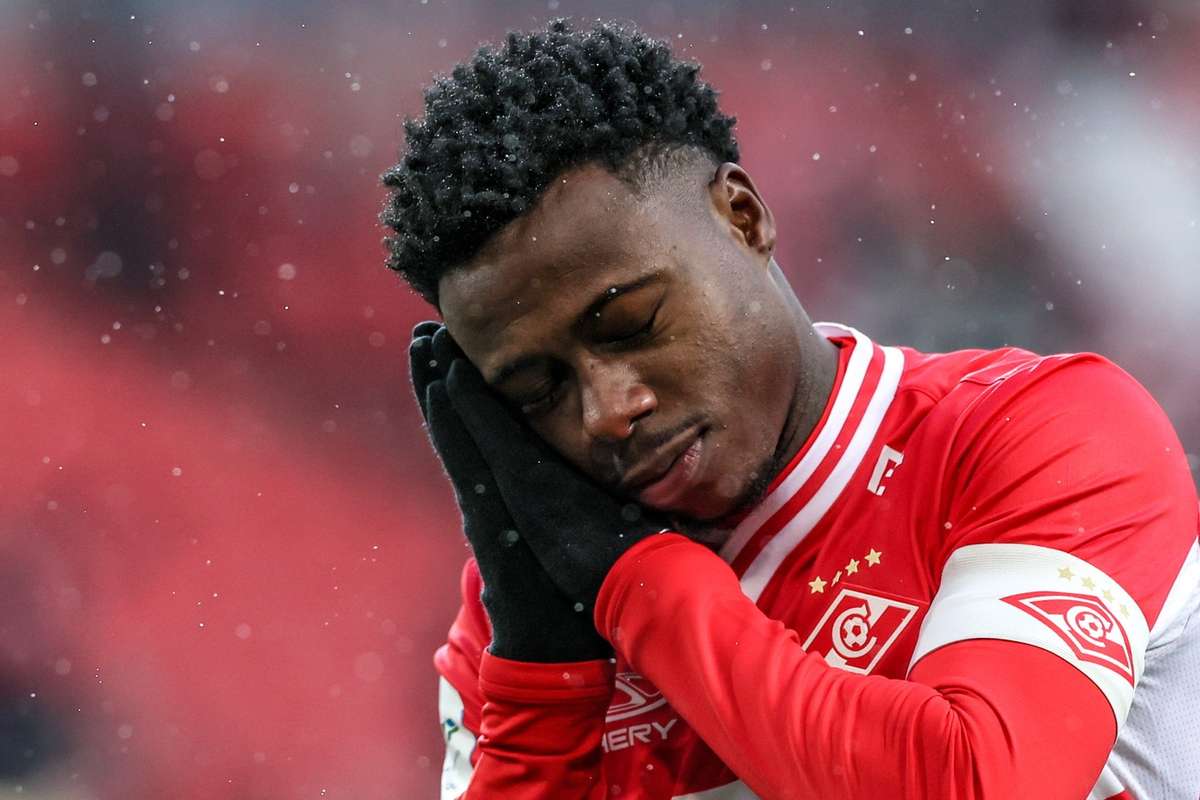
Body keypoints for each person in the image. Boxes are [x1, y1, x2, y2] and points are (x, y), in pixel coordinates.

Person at [379, 19, 1200, 800]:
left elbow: (979, 784)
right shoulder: (529, 605)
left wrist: (641, 588)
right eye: (539, 391)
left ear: (743, 218)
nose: (609, 412)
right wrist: (542, 686)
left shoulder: (1041, 431)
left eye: (631, 323)